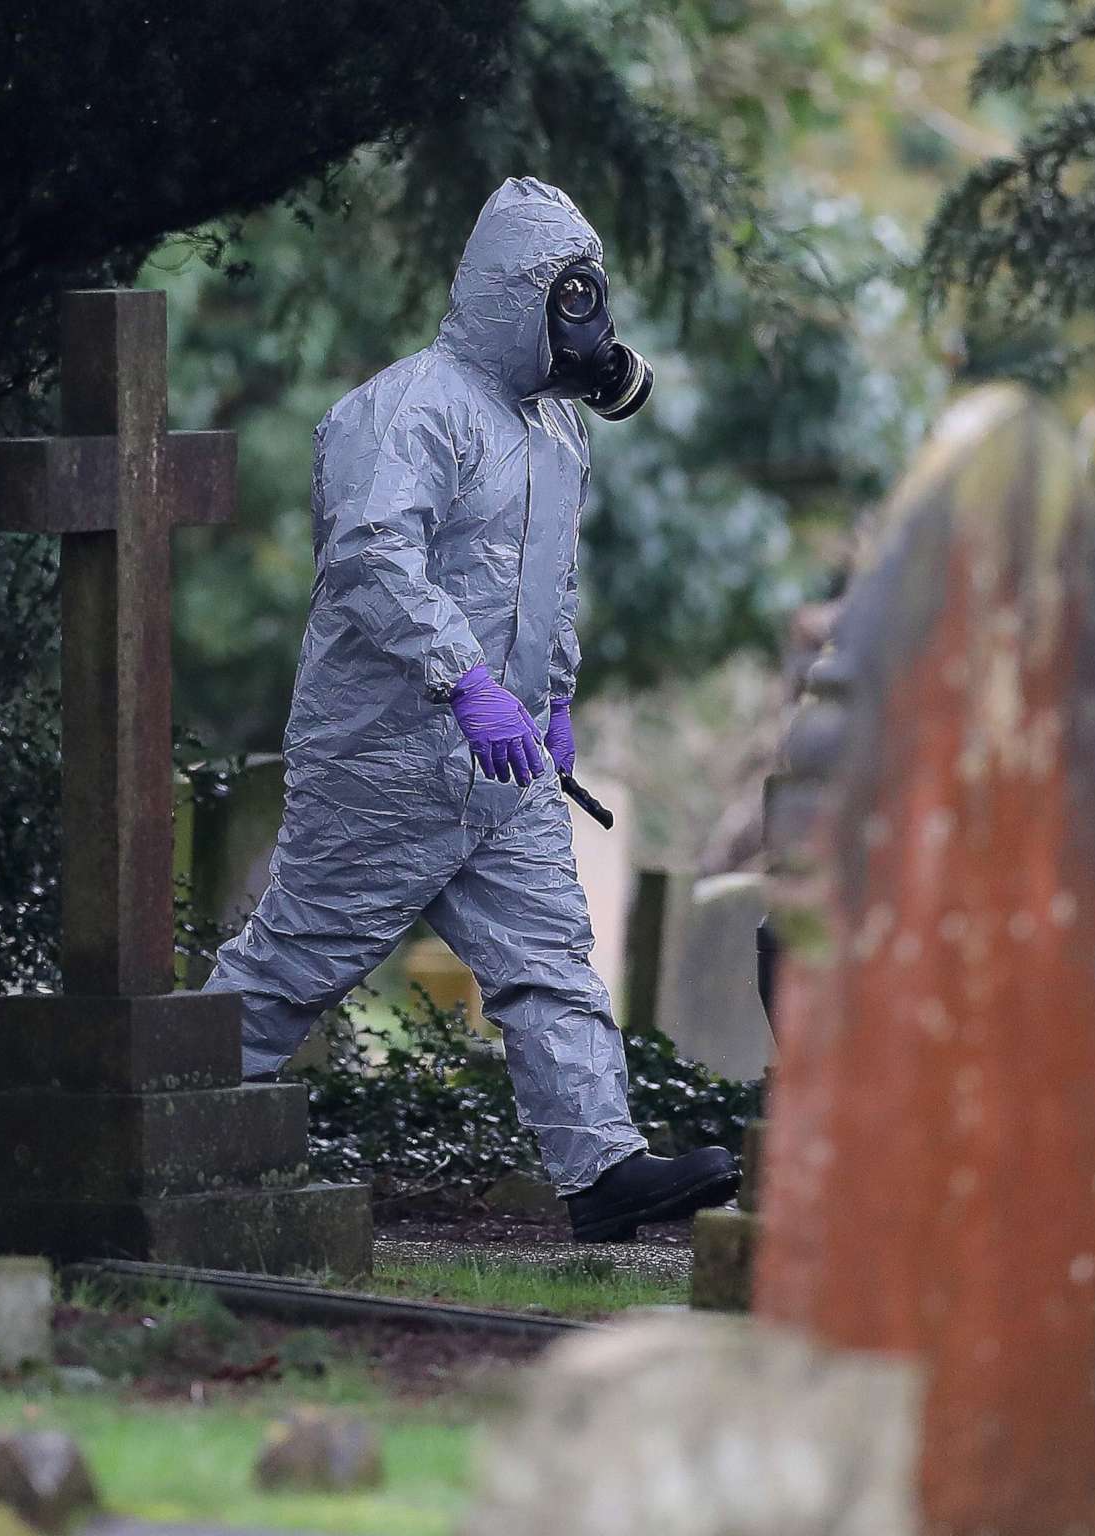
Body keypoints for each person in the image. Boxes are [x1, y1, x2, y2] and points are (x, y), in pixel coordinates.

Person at [205, 178, 735, 1243]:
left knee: (550, 959)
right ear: (518, 294)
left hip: (503, 766)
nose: (587, 325)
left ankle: (605, 1172)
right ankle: (159, 1120)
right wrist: (466, 680)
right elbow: (370, 556)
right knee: (294, 962)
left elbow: (549, 581)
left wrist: (553, 696)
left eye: (590, 300)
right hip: (383, 754)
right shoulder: (412, 409)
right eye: (568, 298)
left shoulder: (555, 431)